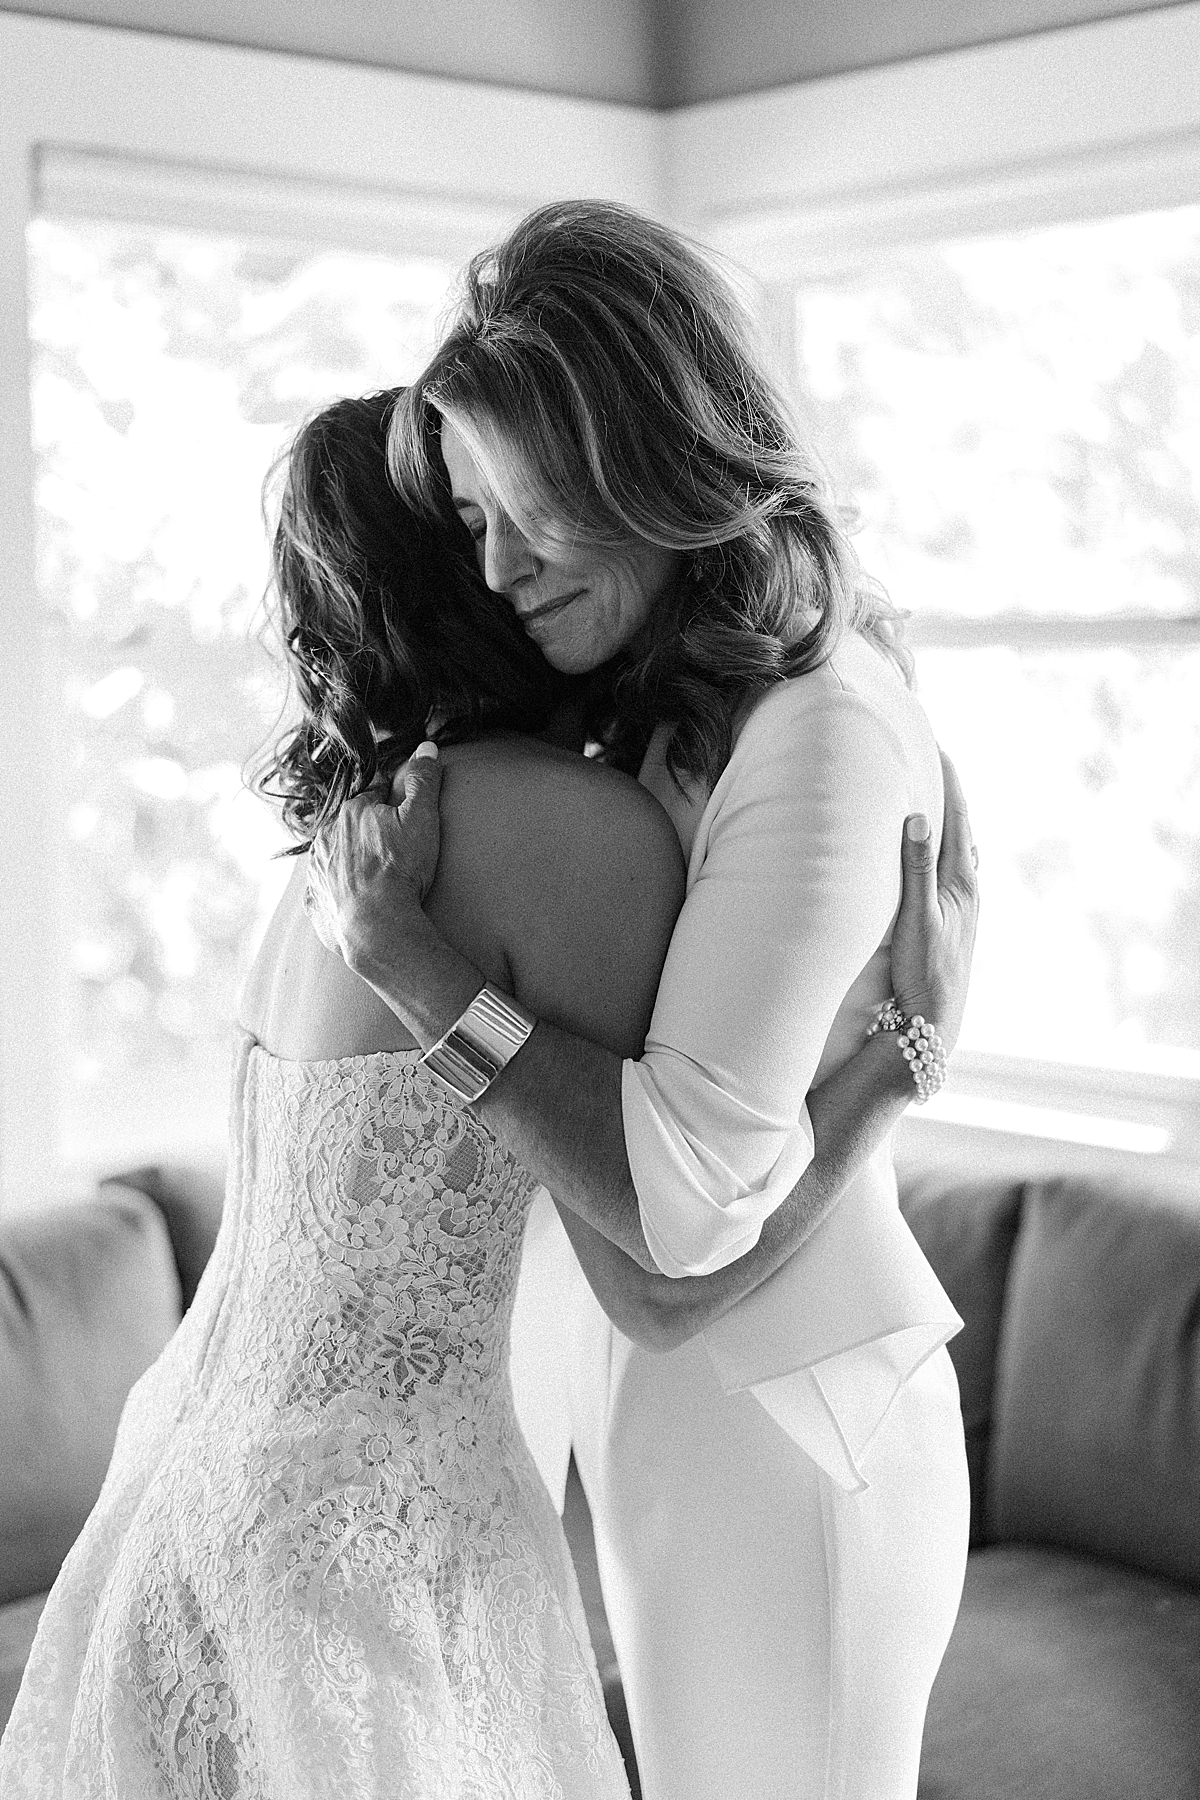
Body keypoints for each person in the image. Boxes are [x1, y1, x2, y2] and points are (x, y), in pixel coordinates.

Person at [0, 390, 973, 1799]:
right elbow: (659, 1263)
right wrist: (895, 1069)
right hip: (374, 1556)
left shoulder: (351, 844)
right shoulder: (572, 834)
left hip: (188, 1506)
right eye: (480, 519)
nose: (517, 552)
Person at [307, 203, 979, 1800]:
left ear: (651, 452)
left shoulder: (817, 734)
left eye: (525, 507)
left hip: (796, 1418)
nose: (495, 565)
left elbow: (677, 1216)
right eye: (469, 520)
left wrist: (424, 976)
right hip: (691, 1411)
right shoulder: (700, 712)